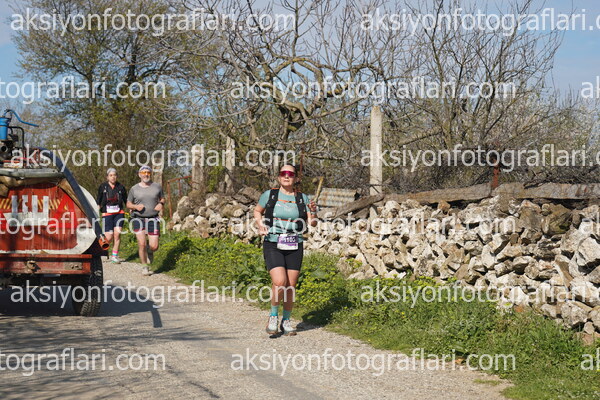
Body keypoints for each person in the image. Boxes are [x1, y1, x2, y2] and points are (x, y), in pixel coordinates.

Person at [254, 164, 318, 336]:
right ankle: (273, 316)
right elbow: (257, 211)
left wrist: (313, 212)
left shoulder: (303, 198)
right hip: (273, 242)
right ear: (279, 177)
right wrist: (260, 225)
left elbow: (312, 223)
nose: (286, 176)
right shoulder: (270, 195)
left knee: (290, 286)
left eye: (290, 173)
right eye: (283, 173)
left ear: (296, 178)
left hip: (294, 243)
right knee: (280, 282)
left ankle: (287, 320)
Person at [126, 165, 165, 276]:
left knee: (154, 246)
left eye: (148, 172)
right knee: (141, 244)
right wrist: (135, 207)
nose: (146, 174)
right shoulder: (134, 189)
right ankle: (144, 267)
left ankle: (150, 250)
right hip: (138, 218)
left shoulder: (157, 187)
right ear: (140, 175)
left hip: (153, 218)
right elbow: (128, 204)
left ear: (150, 174)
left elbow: (163, 198)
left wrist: (161, 204)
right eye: (143, 172)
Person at [96, 168, 127, 263]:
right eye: (111, 175)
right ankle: (98, 252)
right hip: (107, 213)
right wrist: (96, 212)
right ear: (107, 177)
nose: (113, 177)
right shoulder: (103, 187)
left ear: (117, 176)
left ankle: (114, 256)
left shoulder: (121, 187)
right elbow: (98, 201)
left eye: (114, 175)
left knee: (117, 234)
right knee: (108, 237)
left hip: (119, 213)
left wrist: (132, 209)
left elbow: (126, 200)